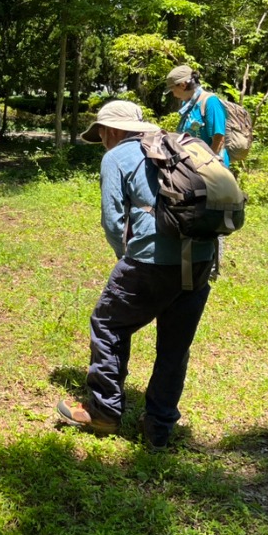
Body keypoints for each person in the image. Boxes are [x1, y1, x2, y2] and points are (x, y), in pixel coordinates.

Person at [56, 100, 216, 448]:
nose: (103, 142)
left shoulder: (115, 156)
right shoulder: (182, 146)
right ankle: (159, 428)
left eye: (101, 135)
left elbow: (113, 221)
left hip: (151, 262)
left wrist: (125, 258)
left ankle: (104, 411)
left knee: (108, 324)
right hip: (203, 257)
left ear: (110, 131)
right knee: (175, 345)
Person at [167, 64, 230, 279]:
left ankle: (212, 268)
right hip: (191, 171)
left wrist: (207, 165)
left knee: (213, 215)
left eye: (173, 89)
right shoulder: (188, 105)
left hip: (210, 171)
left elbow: (218, 137)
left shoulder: (209, 102)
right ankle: (195, 261)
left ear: (183, 84)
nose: (173, 94)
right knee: (194, 215)